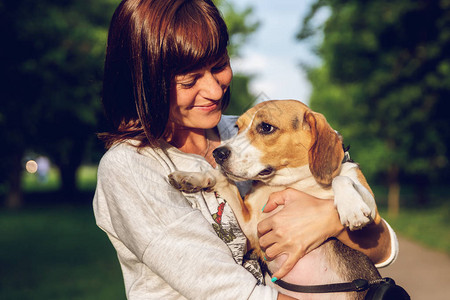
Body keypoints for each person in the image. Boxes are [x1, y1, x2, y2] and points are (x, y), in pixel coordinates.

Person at [93, 0, 398, 299]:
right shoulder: (131, 167)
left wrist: (331, 219)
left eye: (219, 66)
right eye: (190, 81)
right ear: (146, 84)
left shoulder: (238, 133)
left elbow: (383, 248)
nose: (214, 90)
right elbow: (226, 292)